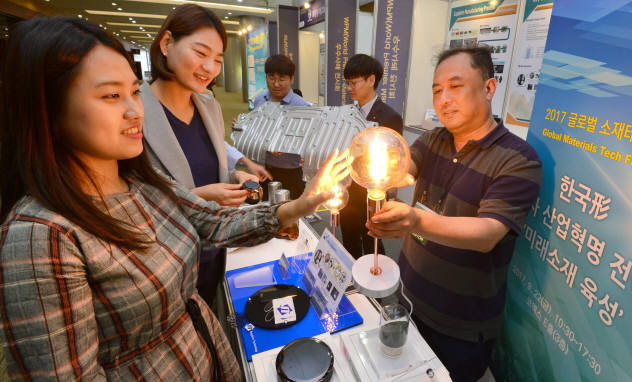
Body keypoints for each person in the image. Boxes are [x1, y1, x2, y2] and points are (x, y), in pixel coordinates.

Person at [0, 16, 348, 380]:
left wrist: (308, 201)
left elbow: (211, 220)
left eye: (134, 92)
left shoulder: (138, 182)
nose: (136, 110)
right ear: (49, 111)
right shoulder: (41, 237)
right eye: (111, 96)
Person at [367, 46, 543, 381]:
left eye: (456, 86)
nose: (444, 99)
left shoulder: (518, 159)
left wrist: (416, 220)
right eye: (436, 90)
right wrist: (382, 172)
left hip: (461, 323)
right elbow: (405, 169)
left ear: (489, 88)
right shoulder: (434, 139)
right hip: (406, 295)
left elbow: (487, 234)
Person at [142, 4, 264, 305]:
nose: (209, 67)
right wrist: (202, 197)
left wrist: (235, 176)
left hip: (214, 250)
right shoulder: (135, 113)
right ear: (167, 43)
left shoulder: (208, 105)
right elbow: (134, 204)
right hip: (168, 265)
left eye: (218, 59)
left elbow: (209, 162)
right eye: (200, 53)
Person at [341, 53, 404, 259]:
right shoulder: (348, 113)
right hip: (347, 189)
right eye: (347, 83)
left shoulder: (389, 117)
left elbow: (392, 161)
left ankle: (374, 283)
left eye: (354, 83)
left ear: (371, 80)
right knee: (348, 237)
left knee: (372, 239)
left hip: (371, 192)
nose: (350, 88)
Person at [231, 54, 312, 200]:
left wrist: (286, 146)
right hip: (263, 168)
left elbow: (308, 140)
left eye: (282, 79)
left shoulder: (301, 106)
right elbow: (256, 129)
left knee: (291, 214)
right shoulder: (259, 100)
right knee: (266, 211)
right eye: (271, 78)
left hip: (291, 171)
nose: (276, 84)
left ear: (291, 79)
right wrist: (241, 130)